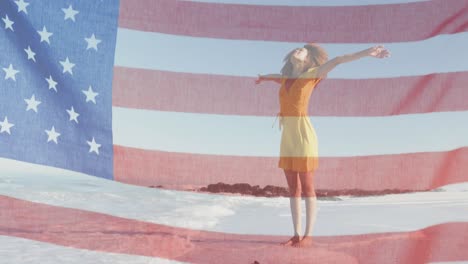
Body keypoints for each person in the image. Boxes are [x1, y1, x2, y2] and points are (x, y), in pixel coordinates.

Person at [256, 43, 390, 248]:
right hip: (287, 137)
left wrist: (367, 53)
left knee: (308, 187)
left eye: (303, 50)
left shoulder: (312, 74)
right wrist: (263, 77)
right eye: (296, 49)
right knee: (293, 189)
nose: (297, 50)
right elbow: (275, 76)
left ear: (310, 59)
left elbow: (337, 61)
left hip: (304, 134)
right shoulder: (285, 80)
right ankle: (295, 234)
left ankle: (308, 236)